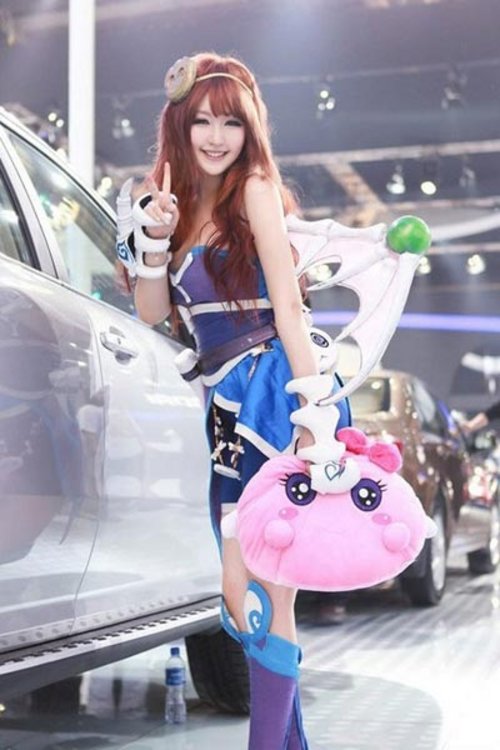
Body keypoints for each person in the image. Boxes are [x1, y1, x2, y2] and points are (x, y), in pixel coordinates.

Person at [117, 52, 351, 749]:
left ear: (250, 131)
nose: (217, 137)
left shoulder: (253, 189)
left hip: (274, 394)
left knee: (263, 586)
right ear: (179, 127)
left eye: (231, 123)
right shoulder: (169, 203)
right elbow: (153, 313)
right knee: (243, 591)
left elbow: (288, 305)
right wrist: (154, 239)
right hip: (224, 405)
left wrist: (313, 415)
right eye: (202, 122)